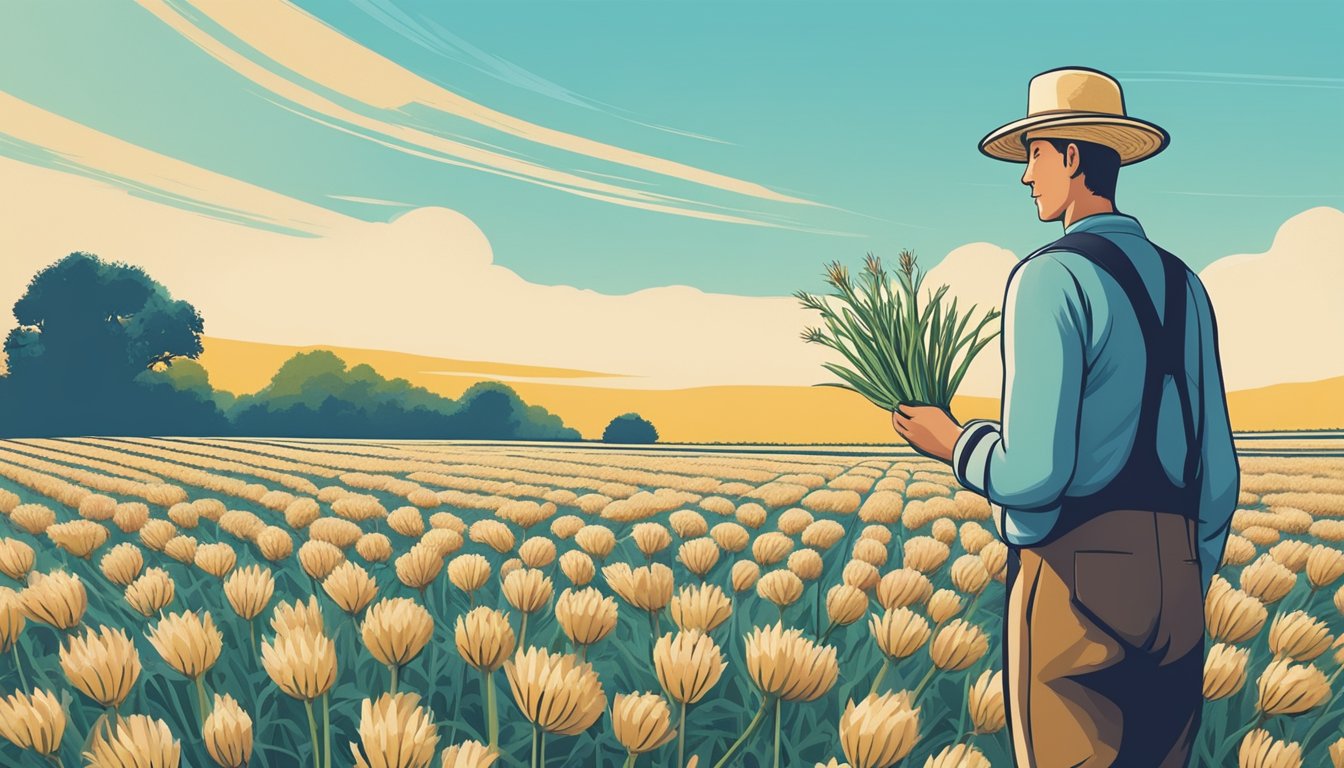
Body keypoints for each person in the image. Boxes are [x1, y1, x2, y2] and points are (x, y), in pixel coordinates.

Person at [891, 66, 1240, 767]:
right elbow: (1221, 477)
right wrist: (1182, 580)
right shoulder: (1187, 286)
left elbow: (1034, 473)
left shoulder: (1049, 276)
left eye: (1034, 155)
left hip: (1075, 583)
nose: (1026, 178)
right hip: (1176, 586)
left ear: (1072, 156)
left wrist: (953, 442)